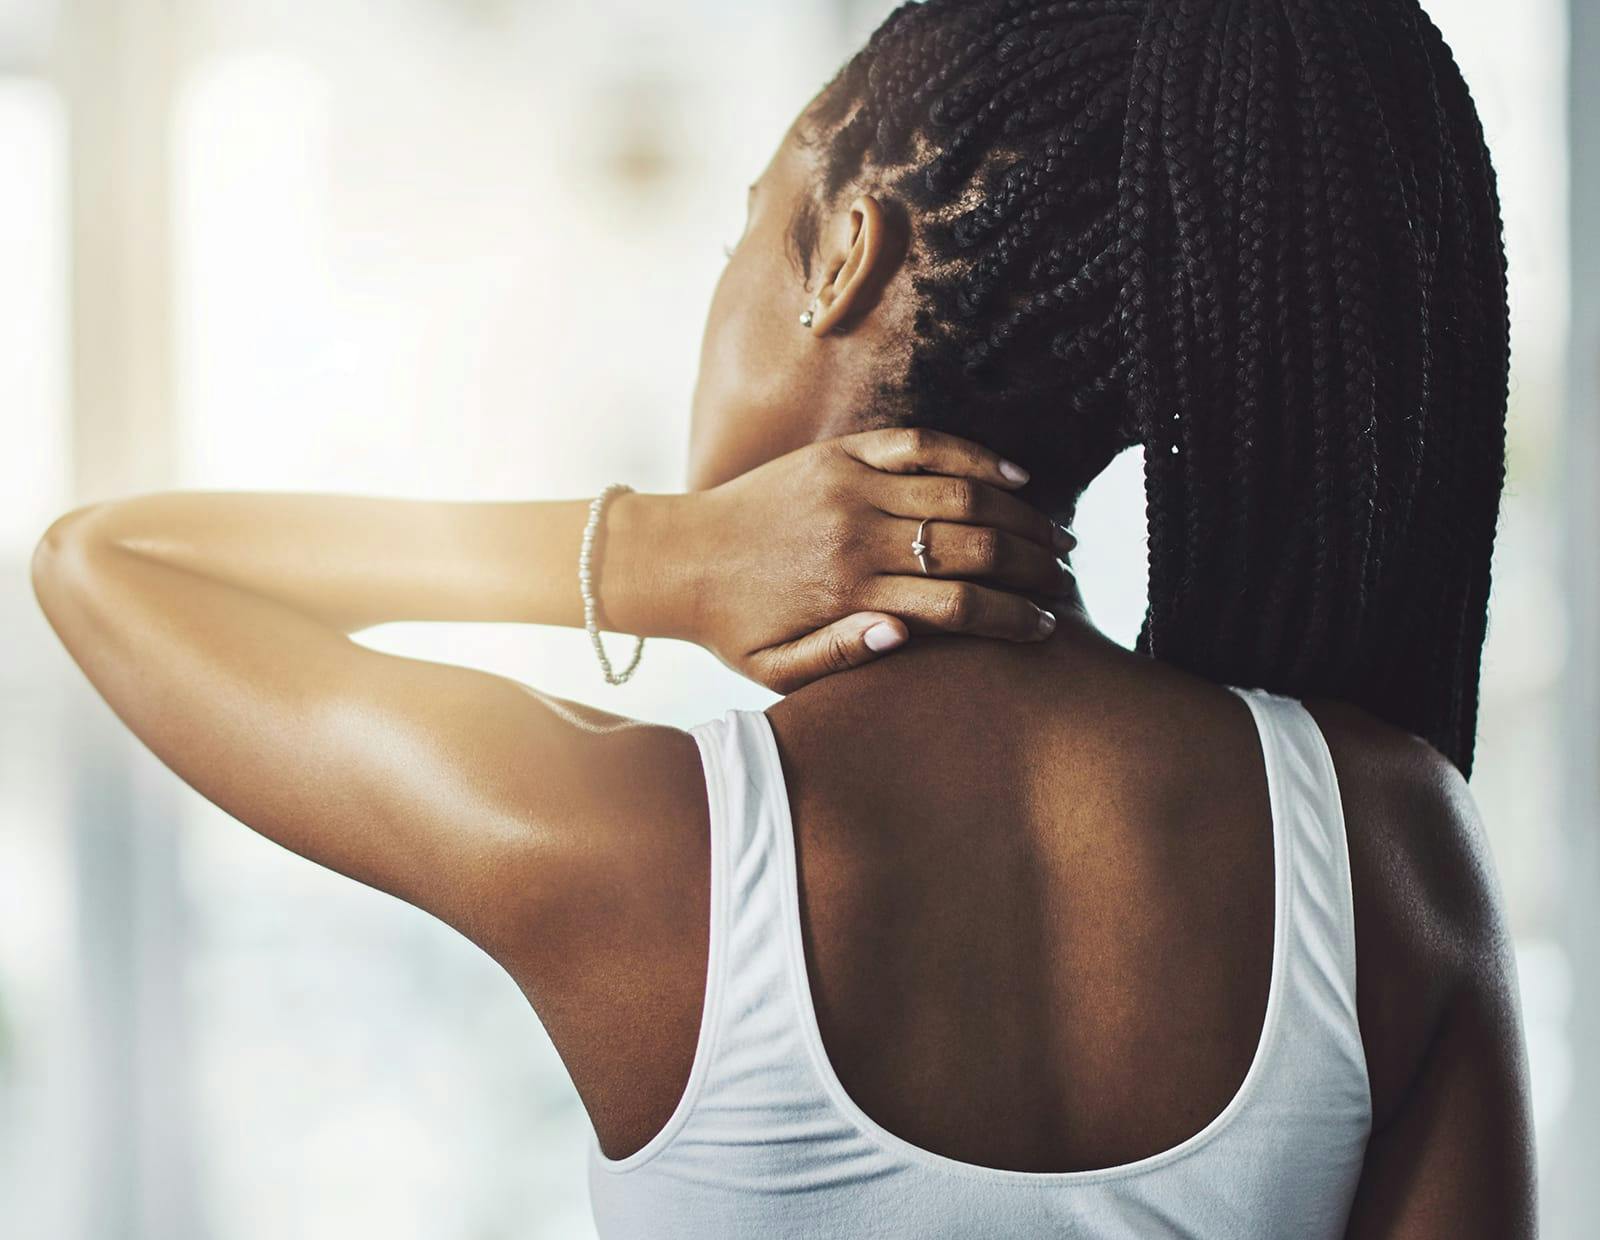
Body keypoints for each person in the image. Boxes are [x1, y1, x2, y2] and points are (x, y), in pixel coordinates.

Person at [31, 0, 1536, 1236]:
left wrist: (652, 562)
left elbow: (106, 569)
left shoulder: (646, 848)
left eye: (743, 232)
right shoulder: (1389, 841)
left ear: (840, 254)